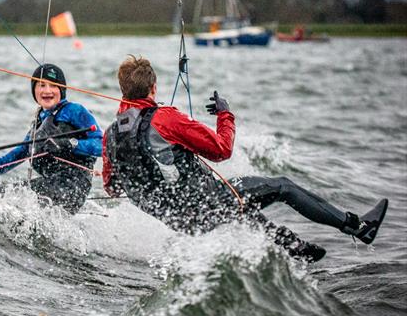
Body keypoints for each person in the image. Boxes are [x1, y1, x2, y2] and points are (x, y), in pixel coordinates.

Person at [102, 55, 388, 262]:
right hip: (204, 202)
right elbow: (222, 150)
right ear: (153, 89)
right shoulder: (165, 118)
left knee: (242, 209)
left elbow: (112, 188)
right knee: (281, 186)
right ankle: (358, 227)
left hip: (179, 220)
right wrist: (225, 114)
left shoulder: (110, 134)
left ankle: (297, 251)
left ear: (122, 90)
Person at [0, 63, 102, 214]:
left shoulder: (74, 111)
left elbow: (102, 145)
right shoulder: (37, 128)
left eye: (53, 85)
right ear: (34, 91)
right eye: (41, 85)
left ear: (61, 90)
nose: (47, 90)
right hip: (51, 187)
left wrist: (70, 144)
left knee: (3, 196)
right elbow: (5, 164)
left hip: (73, 188)